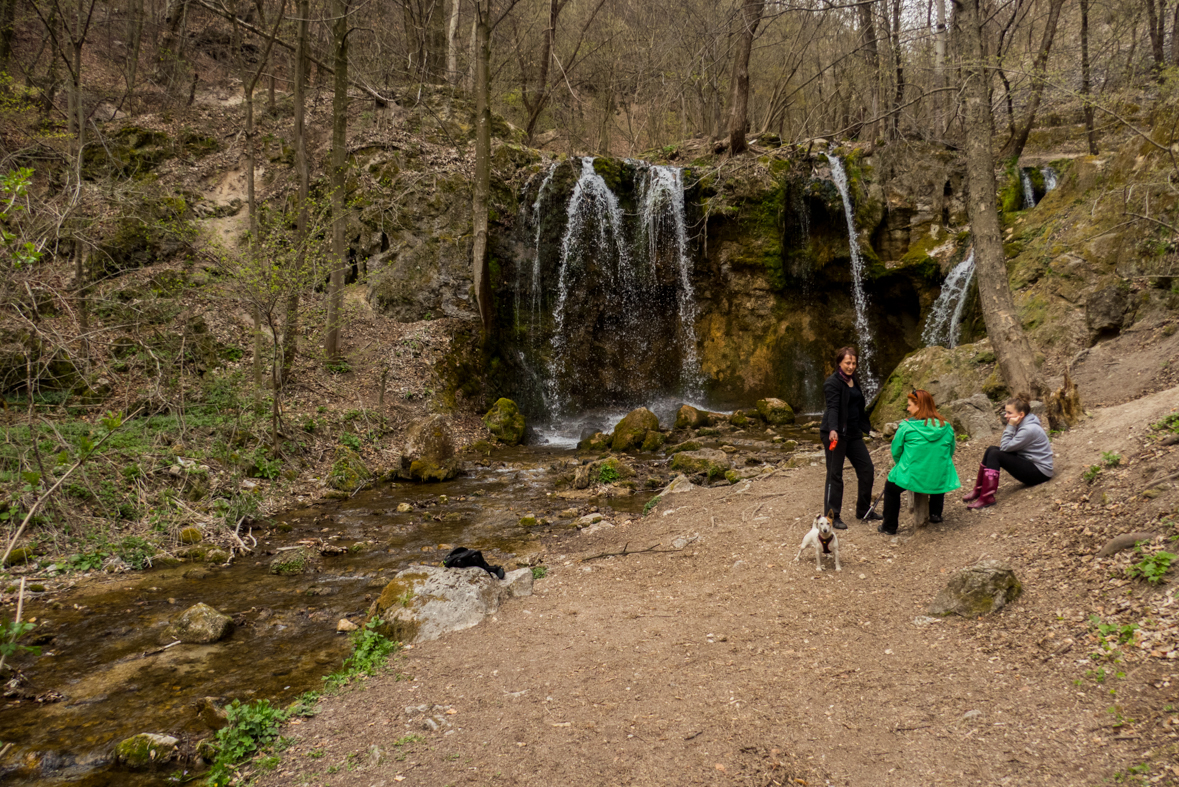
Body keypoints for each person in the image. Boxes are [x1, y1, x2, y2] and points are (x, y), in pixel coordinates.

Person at [878, 389, 960, 535]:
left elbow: (896, 451)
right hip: (937, 475)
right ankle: (935, 513)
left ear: (919, 405)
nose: (907, 409)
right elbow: (949, 452)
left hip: (914, 476)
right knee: (937, 466)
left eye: (909, 405)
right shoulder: (946, 427)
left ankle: (889, 527)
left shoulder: (906, 427)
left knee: (890, 488)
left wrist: (902, 465)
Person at [820, 346, 880, 529]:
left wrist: (865, 427)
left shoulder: (854, 380)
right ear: (839, 362)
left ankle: (864, 510)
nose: (851, 366)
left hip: (853, 433)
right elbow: (833, 408)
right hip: (835, 434)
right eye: (847, 362)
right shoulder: (832, 383)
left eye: (854, 363)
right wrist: (832, 429)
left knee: (867, 469)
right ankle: (832, 516)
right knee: (835, 475)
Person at [963, 395, 1053, 510]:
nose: (1006, 416)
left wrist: (1010, 426)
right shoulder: (1023, 423)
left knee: (996, 454)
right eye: (1006, 412)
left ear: (1021, 415)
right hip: (1030, 462)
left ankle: (986, 498)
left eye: (1009, 413)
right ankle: (979, 490)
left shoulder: (1028, 429)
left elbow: (1005, 447)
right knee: (991, 449)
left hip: (1040, 473)